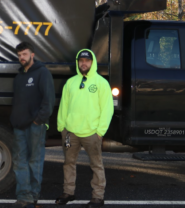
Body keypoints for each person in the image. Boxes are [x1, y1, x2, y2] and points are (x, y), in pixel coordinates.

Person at [55, 49, 114, 208]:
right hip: (70, 134)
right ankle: (68, 192)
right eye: (81, 60)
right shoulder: (71, 82)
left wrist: (100, 132)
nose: (84, 63)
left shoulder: (101, 83)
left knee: (96, 164)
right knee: (68, 162)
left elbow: (107, 109)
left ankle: (98, 196)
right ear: (77, 62)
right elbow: (64, 105)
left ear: (92, 62)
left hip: (92, 134)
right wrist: (62, 127)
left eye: (87, 61)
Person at [11, 42, 55, 208]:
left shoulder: (42, 73)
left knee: (34, 160)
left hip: (36, 126)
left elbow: (49, 100)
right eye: (19, 55)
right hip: (19, 126)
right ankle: (24, 195)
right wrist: (14, 119)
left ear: (32, 54)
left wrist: (39, 120)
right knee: (19, 161)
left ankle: (34, 195)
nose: (22, 57)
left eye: (24, 54)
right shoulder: (19, 76)